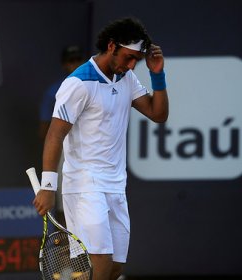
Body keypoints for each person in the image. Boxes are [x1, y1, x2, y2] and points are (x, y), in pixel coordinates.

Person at [33, 17, 169, 280]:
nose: (131, 66)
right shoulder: (78, 83)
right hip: (84, 185)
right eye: (128, 58)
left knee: (115, 268)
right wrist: (48, 186)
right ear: (111, 46)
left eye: (136, 61)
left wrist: (157, 73)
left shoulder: (127, 78)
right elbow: (54, 135)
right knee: (100, 263)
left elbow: (158, 113)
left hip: (115, 185)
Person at [39, 45, 85, 221]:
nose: (75, 65)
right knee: (64, 203)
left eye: (78, 60)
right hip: (65, 151)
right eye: (71, 61)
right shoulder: (54, 92)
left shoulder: (92, 86)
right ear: (64, 65)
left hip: (91, 150)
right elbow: (45, 131)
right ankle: (66, 243)